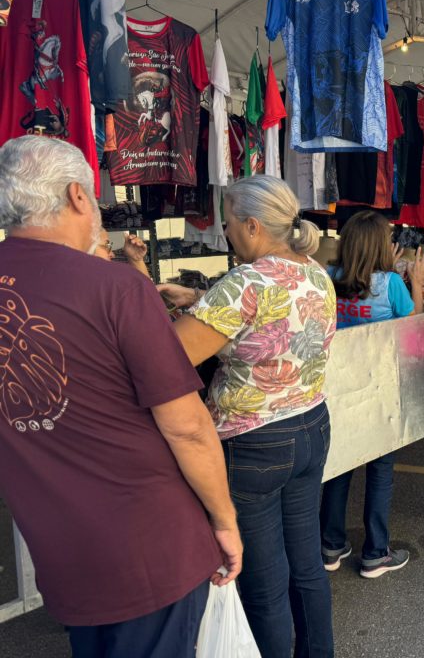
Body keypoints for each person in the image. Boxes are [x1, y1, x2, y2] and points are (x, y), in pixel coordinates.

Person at [0, 136, 241, 657]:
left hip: (59, 549)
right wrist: (224, 520)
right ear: (78, 197)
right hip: (151, 550)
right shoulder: (115, 288)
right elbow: (188, 426)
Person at [159, 175, 336, 658]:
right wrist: (201, 303)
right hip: (311, 426)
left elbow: (170, 357)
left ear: (254, 226)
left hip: (252, 442)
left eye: (229, 224)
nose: (226, 233)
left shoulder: (245, 282)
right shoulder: (315, 272)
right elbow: (274, 322)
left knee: (265, 583)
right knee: (306, 567)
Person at [319, 212, 424, 578]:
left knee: (338, 466)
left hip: (338, 386)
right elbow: (412, 323)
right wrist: (416, 281)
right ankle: (375, 552)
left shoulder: (329, 279)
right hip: (382, 386)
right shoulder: (390, 284)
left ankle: (331, 544)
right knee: (380, 469)